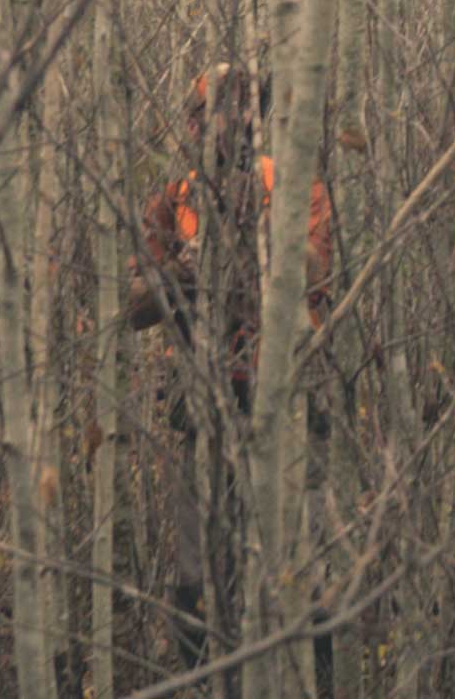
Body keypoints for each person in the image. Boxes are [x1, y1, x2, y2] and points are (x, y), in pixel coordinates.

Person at [126, 63, 336, 691]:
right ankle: (204, 679)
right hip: (202, 401)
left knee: (304, 563)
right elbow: (134, 307)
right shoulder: (173, 198)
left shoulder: (297, 187)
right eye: (201, 110)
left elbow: (318, 275)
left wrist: (255, 239)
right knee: (197, 576)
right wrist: (182, 276)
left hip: (289, 398)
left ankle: (312, 679)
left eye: (225, 108)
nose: (207, 122)